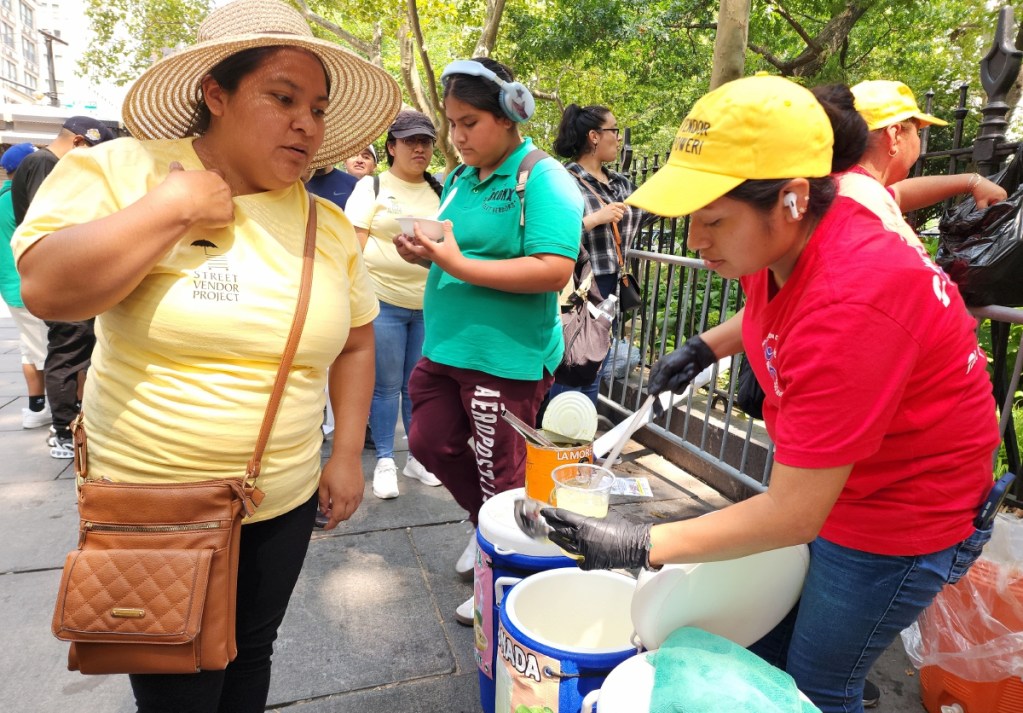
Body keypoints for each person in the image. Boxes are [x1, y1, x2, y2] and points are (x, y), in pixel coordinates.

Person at [541, 75, 999, 713]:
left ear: (791, 197)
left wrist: (640, 543)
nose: (696, 243)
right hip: (840, 487)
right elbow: (773, 310)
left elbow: (791, 513)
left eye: (714, 220)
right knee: (759, 655)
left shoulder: (857, 295)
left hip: (901, 513)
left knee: (817, 686)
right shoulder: (797, 236)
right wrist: (707, 346)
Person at [12, 0, 400, 709]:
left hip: (279, 494)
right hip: (157, 503)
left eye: (315, 107)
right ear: (213, 94)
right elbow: (46, 288)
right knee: (179, 682)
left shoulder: (328, 223)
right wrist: (173, 208)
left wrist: (346, 452)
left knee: (253, 652)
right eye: (281, 98)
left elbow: (354, 337)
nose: (305, 124)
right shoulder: (123, 171)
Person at [394, 57, 583, 624]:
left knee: (500, 470)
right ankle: (490, 528)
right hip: (445, 349)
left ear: (509, 115)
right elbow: (454, 242)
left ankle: (501, 584)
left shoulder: (543, 177)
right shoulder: (458, 178)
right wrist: (424, 249)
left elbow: (554, 269)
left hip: (503, 357)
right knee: (428, 444)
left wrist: (458, 262)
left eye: (469, 122)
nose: (456, 136)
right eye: (452, 123)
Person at [346, 110, 444, 499]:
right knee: (385, 386)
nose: (419, 148)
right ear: (392, 147)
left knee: (416, 385)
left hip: (428, 303)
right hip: (382, 301)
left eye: (426, 141)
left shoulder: (441, 189)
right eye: (410, 141)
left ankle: (416, 457)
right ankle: (385, 459)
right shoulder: (371, 187)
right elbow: (352, 245)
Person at [11, 116, 118, 457]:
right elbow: (57, 228)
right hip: (63, 280)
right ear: (77, 143)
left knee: (76, 349)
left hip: (69, 278)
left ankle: (72, 425)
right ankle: (63, 431)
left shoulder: (40, 163)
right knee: (68, 352)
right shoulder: (45, 164)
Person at [550, 103, 647, 404]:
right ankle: (555, 444)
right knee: (571, 366)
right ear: (594, 136)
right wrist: (594, 220)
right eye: (614, 130)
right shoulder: (563, 181)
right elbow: (549, 236)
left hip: (611, 286)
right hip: (577, 288)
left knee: (595, 368)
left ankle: (581, 445)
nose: (618, 138)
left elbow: (649, 214)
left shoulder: (620, 184)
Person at [839, 80, 1006, 245]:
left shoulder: (847, 188)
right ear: (895, 136)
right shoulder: (865, 207)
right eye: (917, 132)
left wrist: (971, 181)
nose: (918, 140)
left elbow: (900, 193)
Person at [0, 142, 50, 429]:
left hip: (10, 287)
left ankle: (35, 408)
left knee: (29, 350)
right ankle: (66, 416)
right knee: (51, 352)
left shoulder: (2, 197)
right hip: (28, 288)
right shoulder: (21, 200)